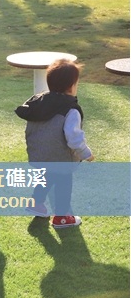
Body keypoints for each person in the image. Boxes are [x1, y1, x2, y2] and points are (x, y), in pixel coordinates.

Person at [15, 59, 95, 229]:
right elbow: (74, 138)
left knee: (45, 178)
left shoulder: (38, 101)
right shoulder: (71, 110)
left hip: (38, 154)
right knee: (63, 184)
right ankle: (62, 217)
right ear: (71, 86)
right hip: (60, 158)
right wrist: (86, 153)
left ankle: (36, 203)